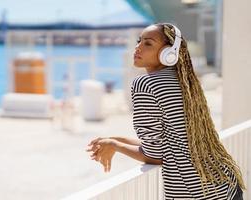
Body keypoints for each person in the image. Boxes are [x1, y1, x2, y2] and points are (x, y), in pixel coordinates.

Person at [86, 23, 245, 200]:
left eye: (148, 43)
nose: (138, 47)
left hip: (198, 194)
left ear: (168, 53)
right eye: (139, 41)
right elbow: (172, 141)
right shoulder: (184, 81)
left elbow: (155, 155)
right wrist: (116, 139)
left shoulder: (145, 84)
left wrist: (116, 146)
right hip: (226, 185)